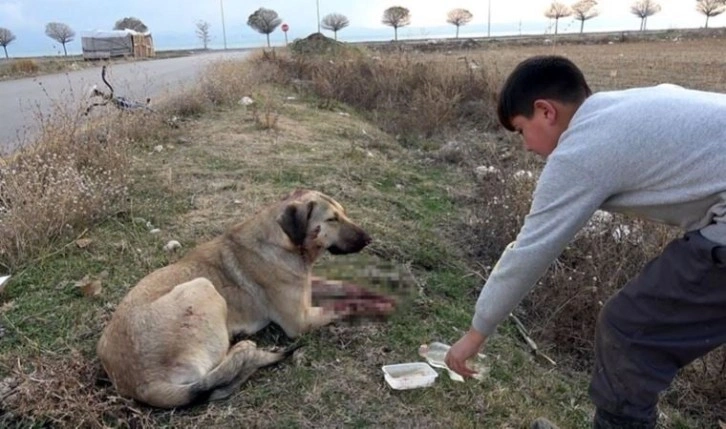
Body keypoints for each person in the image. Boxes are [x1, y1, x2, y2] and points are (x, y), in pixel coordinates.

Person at [444, 55, 726, 429]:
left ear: (545, 111)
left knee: (630, 332)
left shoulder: (582, 148)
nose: (526, 146)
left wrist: (475, 334)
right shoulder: (620, 108)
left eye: (520, 129)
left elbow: (530, 251)